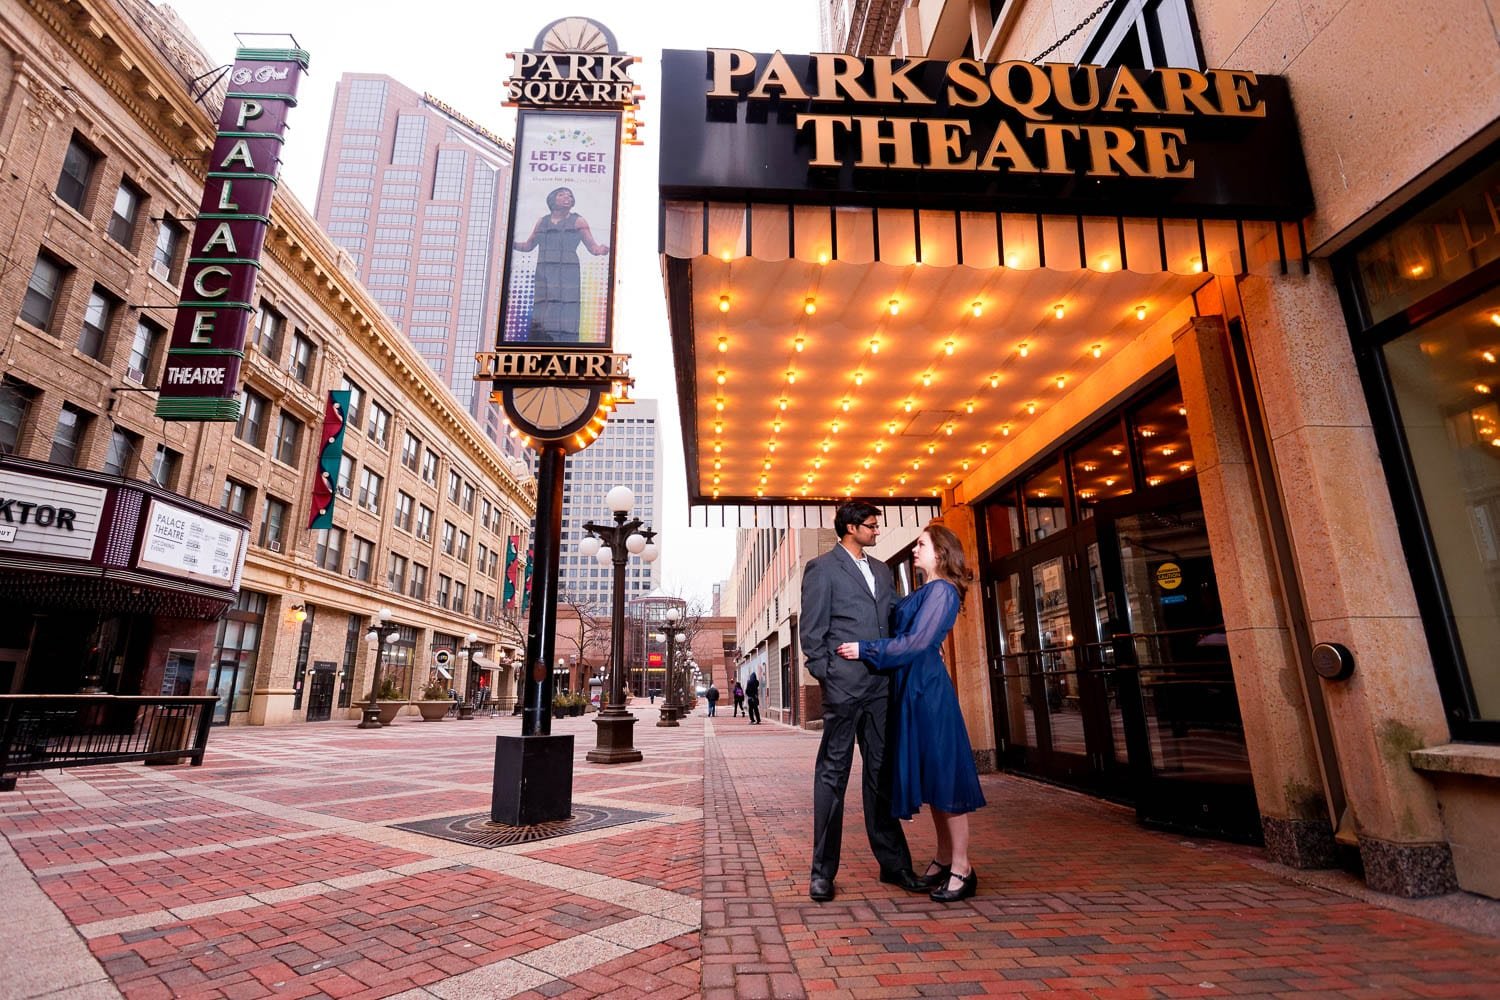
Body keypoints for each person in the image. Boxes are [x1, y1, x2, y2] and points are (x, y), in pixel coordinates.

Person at [836, 522, 987, 903]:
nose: (915, 549)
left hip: (928, 693)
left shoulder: (942, 591)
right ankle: (942, 857)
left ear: (941, 552)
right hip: (913, 689)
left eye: (921, 544)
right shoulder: (926, 591)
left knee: (946, 780)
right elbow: (905, 628)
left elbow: (917, 643)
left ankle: (963, 867)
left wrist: (865, 649)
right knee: (934, 780)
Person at [799, 500, 917, 903]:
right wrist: (828, 676)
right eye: (870, 525)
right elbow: (812, 633)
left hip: (880, 689)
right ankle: (822, 872)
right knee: (833, 777)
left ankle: (895, 864)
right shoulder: (822, 569)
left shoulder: (882, 570)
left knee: (881, 775)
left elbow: (895, 612)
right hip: (843, 688)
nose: (876, 531)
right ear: (850, 528)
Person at [511, 186, 609, 343]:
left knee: (567, 307)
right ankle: (539, 342)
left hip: (568, 273)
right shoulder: (542, 222)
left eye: (570, 195)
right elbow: (528, 246)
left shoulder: (578, 221)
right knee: (543, 305)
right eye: (562, 194)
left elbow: (593, 247)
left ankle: (568, 344)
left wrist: (602, 249)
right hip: (544, 271)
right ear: (552, 199)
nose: (567, 197)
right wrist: (511, 243)